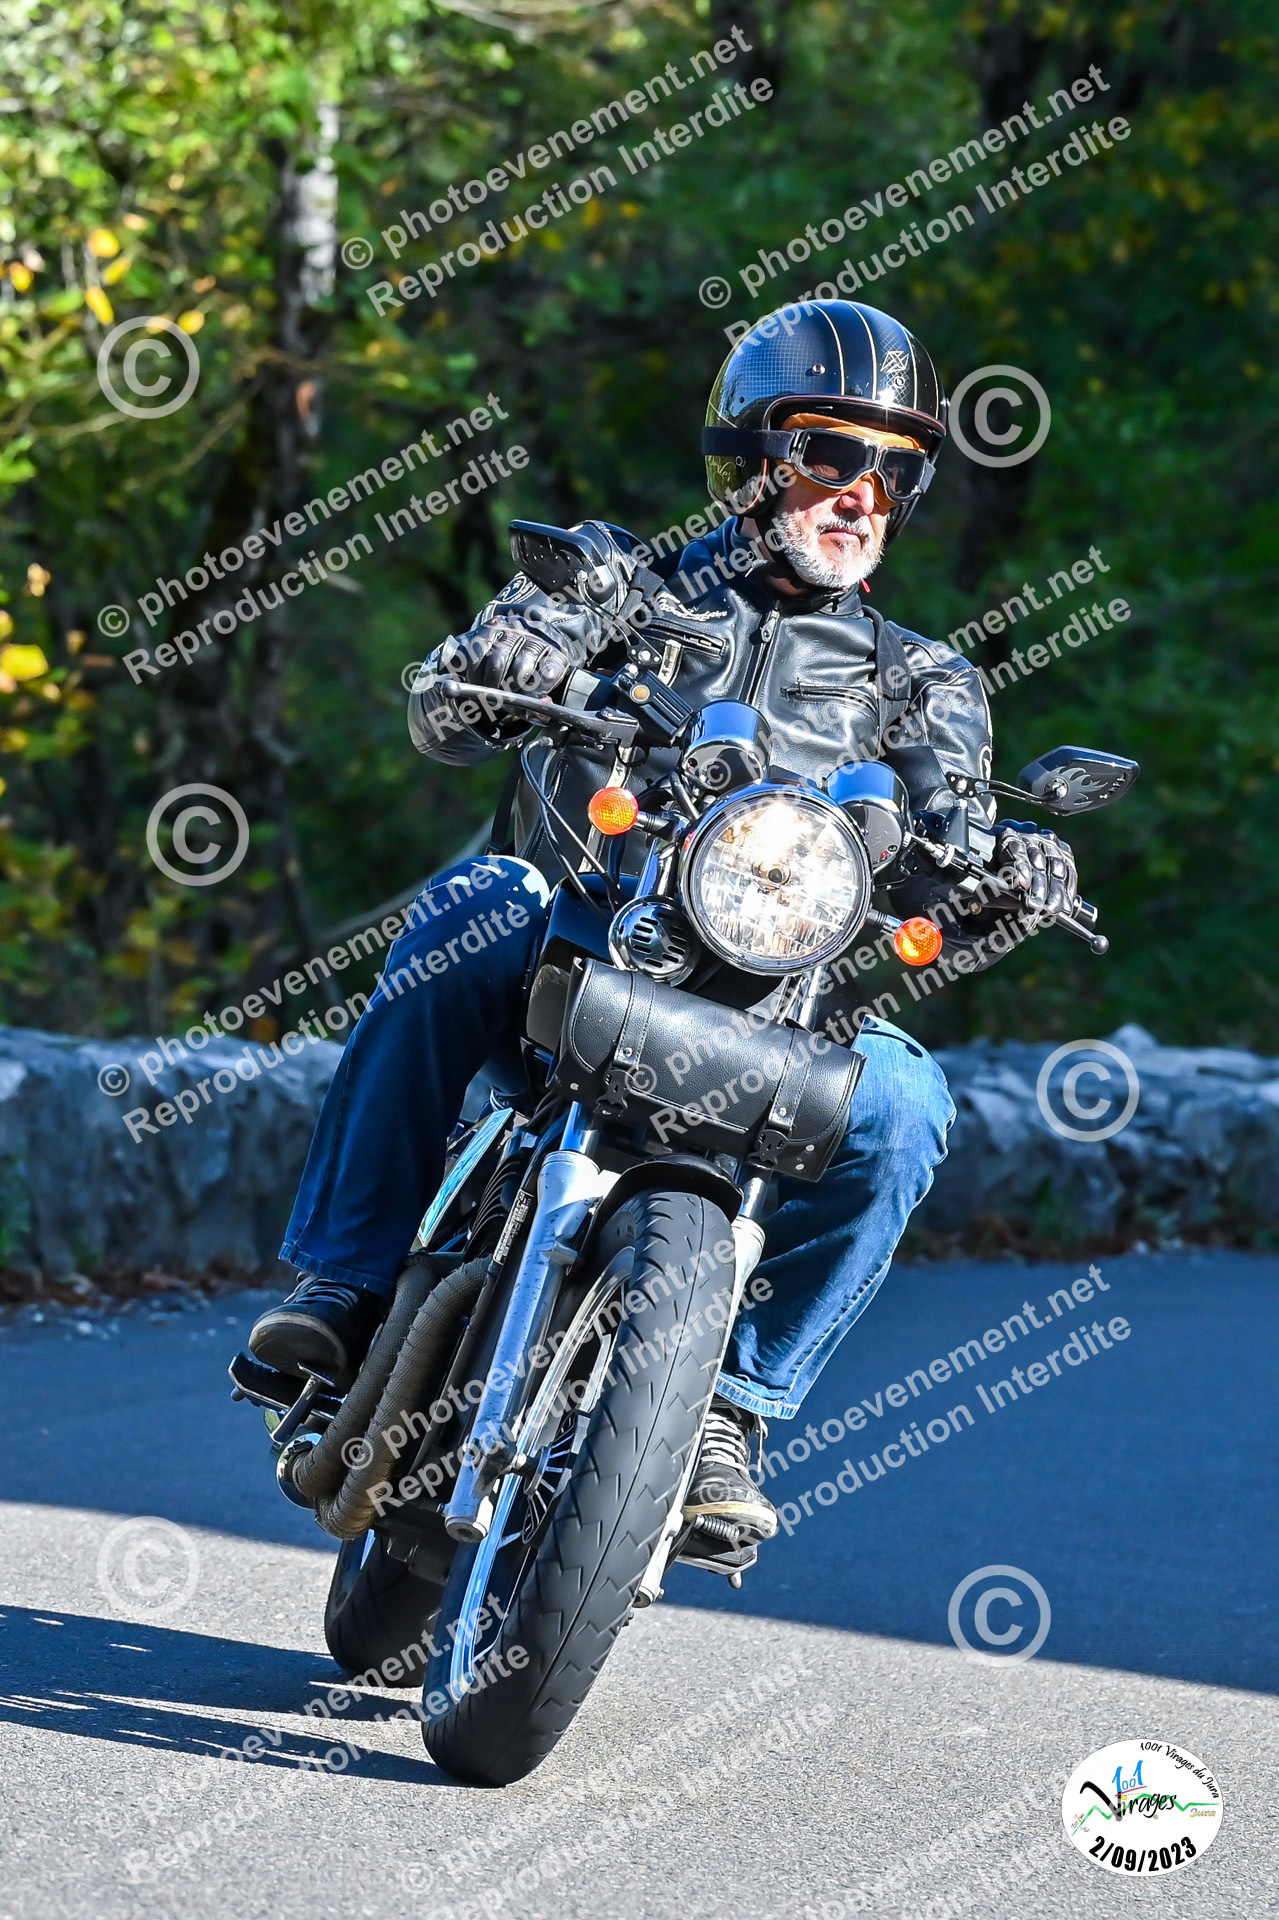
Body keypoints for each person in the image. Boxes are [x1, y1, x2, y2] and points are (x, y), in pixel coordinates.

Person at [249, 300, 1079, 1544]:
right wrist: (507, 654)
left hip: (774, 1014)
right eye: (830, 453)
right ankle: (346, 1283)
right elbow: (444, 712)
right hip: (572, 947)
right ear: (750, 456)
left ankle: (733, 1405)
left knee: (909, 1103)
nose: (863, 492)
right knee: (477, 900)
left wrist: (1009, 868)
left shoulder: (924, 683)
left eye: (897, 467)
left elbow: (949, 849)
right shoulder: (620, 583)